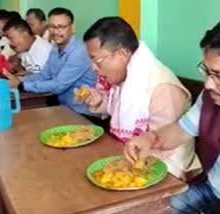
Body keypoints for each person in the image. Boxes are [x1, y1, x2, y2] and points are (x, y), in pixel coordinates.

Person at [124, 14, 220, 214]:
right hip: (209, 188)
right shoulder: (214, 97)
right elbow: (180, 130)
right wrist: (150, 139)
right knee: (147, 207)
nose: (208, 84)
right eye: (206, 71)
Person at [81, 17, 200, 179]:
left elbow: (163, 147)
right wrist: (99, 100)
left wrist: (118, 166)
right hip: (131, 155)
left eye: (97, 60)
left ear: (122, 54)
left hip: (169, 171)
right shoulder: (129, 76)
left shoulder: (162, 87)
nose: (93, 68)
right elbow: (118, 109)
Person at [3, 7, 97, 117]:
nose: (56, 31)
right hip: (63, 107)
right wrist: (19, 80)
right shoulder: (55, 48)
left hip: (82, 112)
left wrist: (22, 85)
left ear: (72, 28)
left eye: (61, 27)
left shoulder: (79, 51)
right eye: (52, 27)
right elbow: (45, 74)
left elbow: (58, 85)